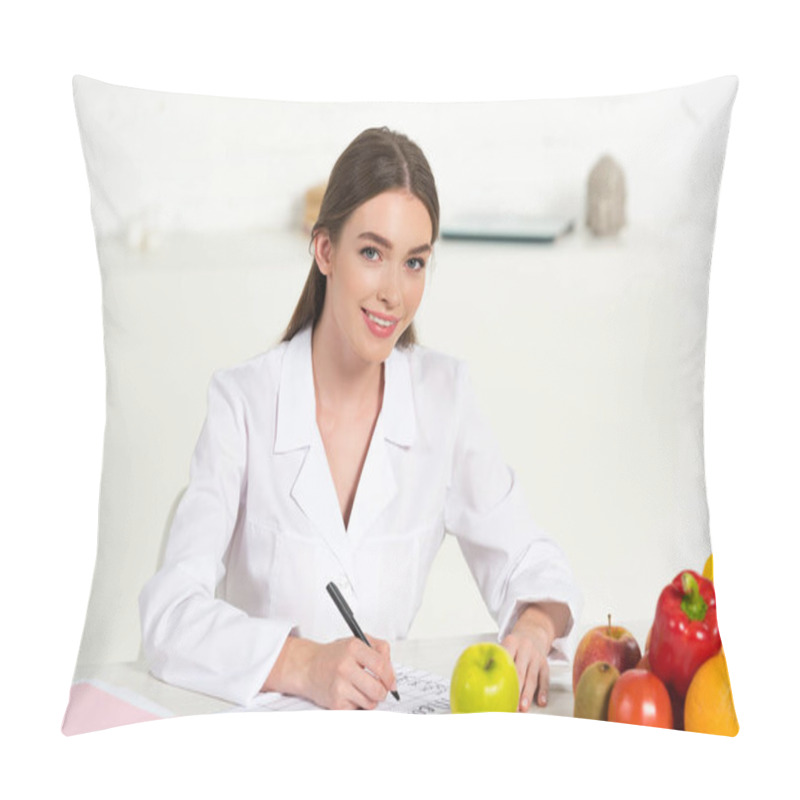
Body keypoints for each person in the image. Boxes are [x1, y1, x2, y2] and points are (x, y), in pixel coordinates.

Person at [139, 127, 581, 713]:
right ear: (325, 251)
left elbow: (531, 561)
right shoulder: (242, 402)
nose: (394, 292)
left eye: (415, 262)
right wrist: (303, 663)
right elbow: (170, 614)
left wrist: (532, 628)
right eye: (372, 253)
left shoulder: (444, 398)